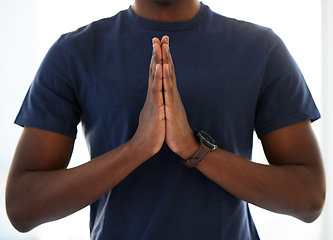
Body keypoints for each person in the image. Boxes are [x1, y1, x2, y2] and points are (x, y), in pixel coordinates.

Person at [6, 0, 326, 239]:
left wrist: (192, 148)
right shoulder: (73, 53)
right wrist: (137, 149)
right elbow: (22, 207)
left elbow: (309, 198)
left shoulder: (261, 49)